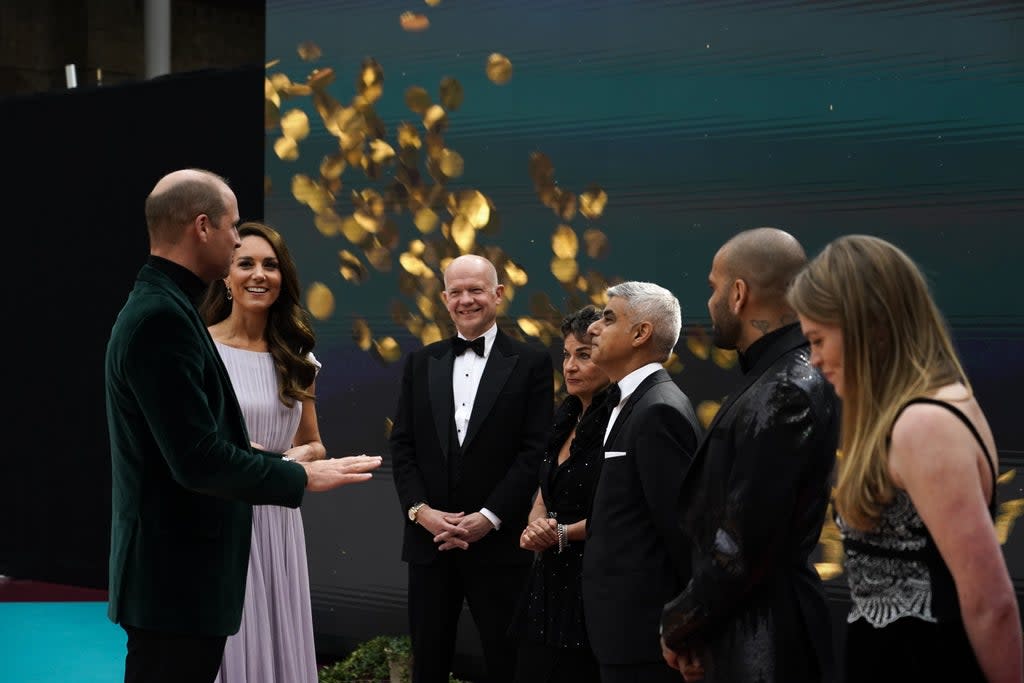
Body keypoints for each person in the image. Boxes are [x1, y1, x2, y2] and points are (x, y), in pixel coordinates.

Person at [105, 168, 382, 683]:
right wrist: (299, 475)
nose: (237, 241)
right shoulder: (164, 319)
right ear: (202, 227)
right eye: (234, 230)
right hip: (177, 579)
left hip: (185, 575)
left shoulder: (166, 309)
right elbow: (197, 459)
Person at [786, 234, 1023, 683]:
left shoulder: (924, 425)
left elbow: (991, 605)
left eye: (818, 340)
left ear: (869, 326)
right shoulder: (925, 409)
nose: (813, 360)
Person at [660, 227, 839, 683]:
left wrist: (678, 624)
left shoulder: (783, 389)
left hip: (765, 644)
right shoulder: (780, 377)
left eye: (713, 286)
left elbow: (742, 546)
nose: (711, 301)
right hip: (748, 630)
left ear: (738, 293)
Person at [389, 253, 554, 683]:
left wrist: (488, 517)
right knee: (428, 662)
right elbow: (402, 447)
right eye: (457, 292)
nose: (467, 300)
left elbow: (534, 451)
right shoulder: (420, 362)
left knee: (507, 662)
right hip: (430, 543)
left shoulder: (532, 362)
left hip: (499, 546)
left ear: (498, 294)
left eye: (476, 290)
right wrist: (421, 513)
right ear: (444, 299)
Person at [198, 222, 322, 683]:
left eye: (270, 265)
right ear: (225, 277)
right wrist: (250, 461)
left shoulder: (298, 357)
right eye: (245, 262)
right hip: (221, 517)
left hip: (279, 519)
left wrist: (283, 463)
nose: (259, 274)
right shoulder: (200, 349)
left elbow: (313, 442)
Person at [582, 280, 702, 683]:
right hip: (620, 634)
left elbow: (683, 531)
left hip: (646, 640)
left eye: (608, 317)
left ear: (641, 333)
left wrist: (686, 628)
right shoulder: (631, 402)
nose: (594, 328)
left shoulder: (658, 410)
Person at [509, 305, 611, 683]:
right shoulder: (565, 414)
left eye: (584, 355)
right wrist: (536, 527)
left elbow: (620, 508)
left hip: (593, 584)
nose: (569, 366)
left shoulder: (621, 421)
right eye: (567, 355)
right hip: (547, 582)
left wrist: (561, 533)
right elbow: (543, 493)